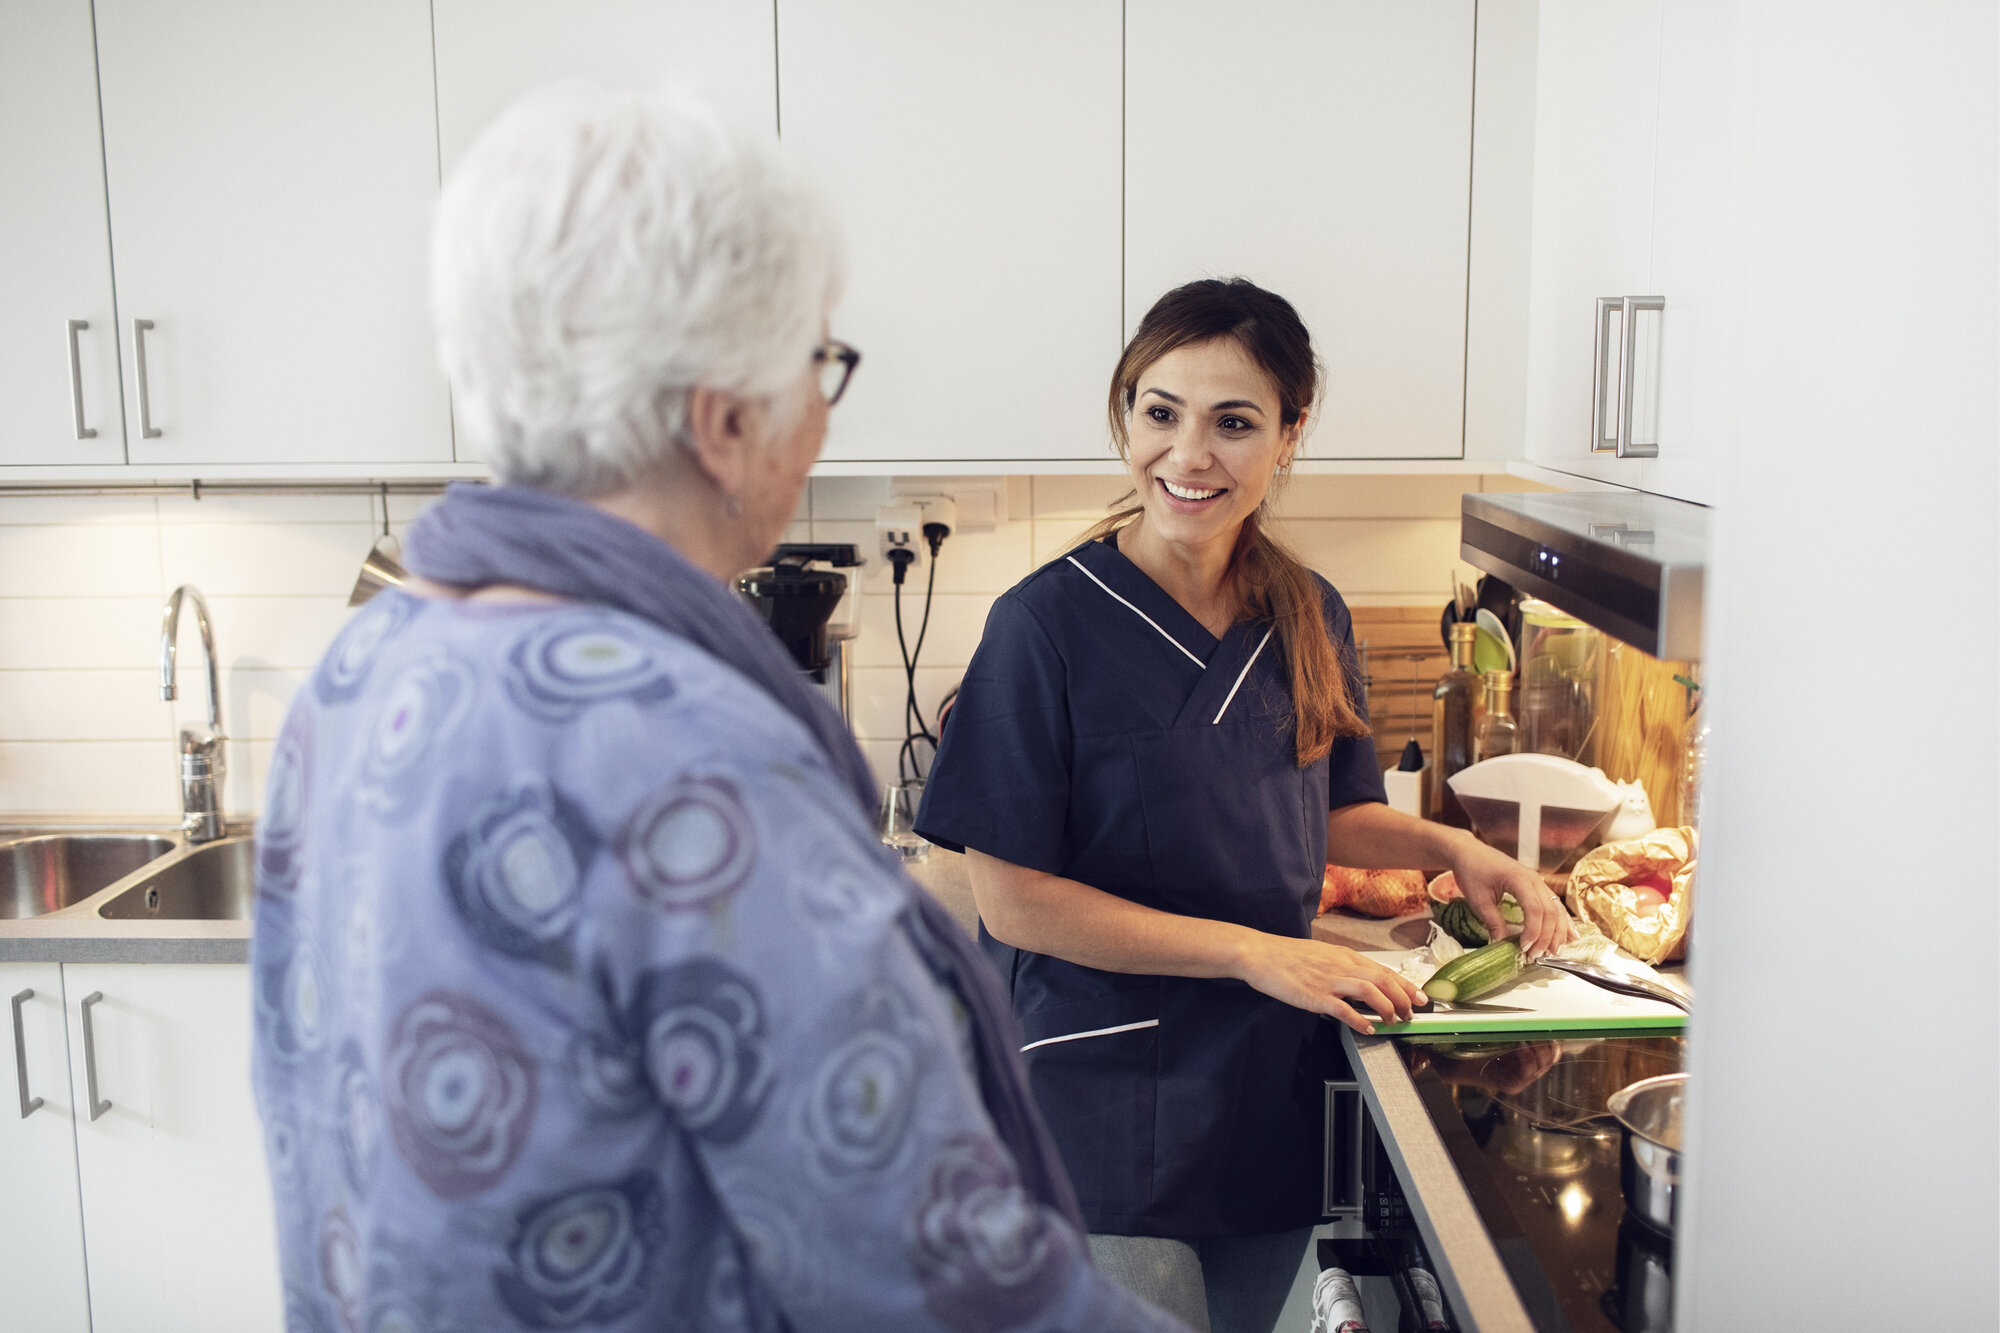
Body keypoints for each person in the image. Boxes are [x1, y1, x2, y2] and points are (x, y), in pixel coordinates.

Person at [249, 83, 1184, 1333]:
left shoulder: (366, 665)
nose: (821, 407)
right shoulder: (687, 755)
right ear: (725, 420)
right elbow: (938, 1281)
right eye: (817, 362)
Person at [914, 278, 1570, 1333]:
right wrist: (1254, 952)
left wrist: (1455, 842)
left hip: (1265, 1085)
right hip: (1102, 1095)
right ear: (1124, 413)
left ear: (1287, 435)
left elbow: (1333, 811)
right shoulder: (1041, 627)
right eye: (1159, 412)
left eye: (1232, 422)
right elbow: (1013, 904)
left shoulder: (1305, 611)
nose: (1187, 455)